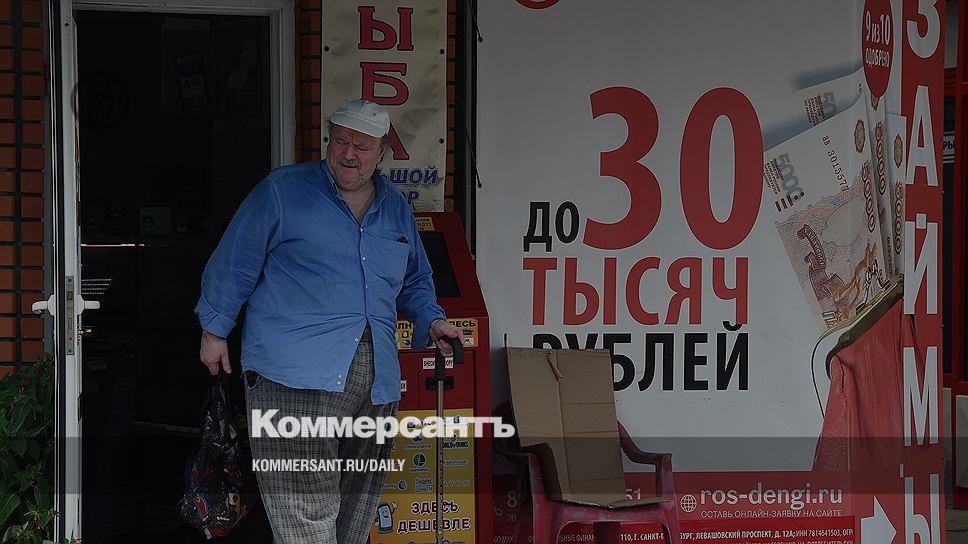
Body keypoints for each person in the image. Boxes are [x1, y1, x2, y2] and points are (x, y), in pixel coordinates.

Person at [194, 98, 461, 543]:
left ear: (382, 153)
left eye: (362, 146)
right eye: (340, 142)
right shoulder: (282, 191)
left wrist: (432, 320)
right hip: (294, 374)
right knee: (304, 509)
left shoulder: (396, 207)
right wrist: (214, 329)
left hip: (375, 383)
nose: (348, 154)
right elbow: (234, 261)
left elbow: (415, 280)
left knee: (356, 509)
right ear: (328, 141)